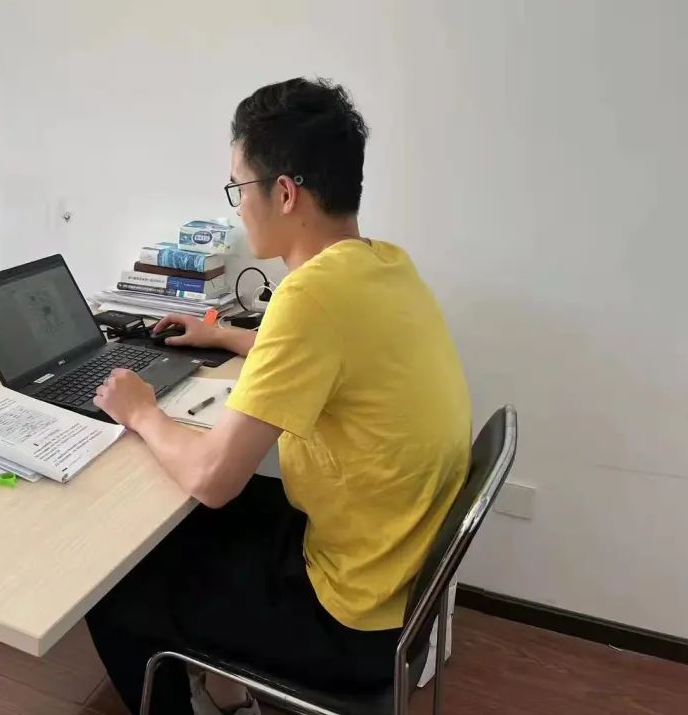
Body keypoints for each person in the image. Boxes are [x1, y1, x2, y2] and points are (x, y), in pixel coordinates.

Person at [87, 77, 472, 714]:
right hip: (395, 579)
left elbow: (213, 479)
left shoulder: (310, 295)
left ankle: (205, 695)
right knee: (189, 524)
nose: (238, 207)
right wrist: (224, 335)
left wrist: (141, 412)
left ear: (286, 193)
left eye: (239, 187)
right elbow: (328, 354)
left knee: (115, 586)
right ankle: (225, 693)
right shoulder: (382, 264)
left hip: (351, 620)